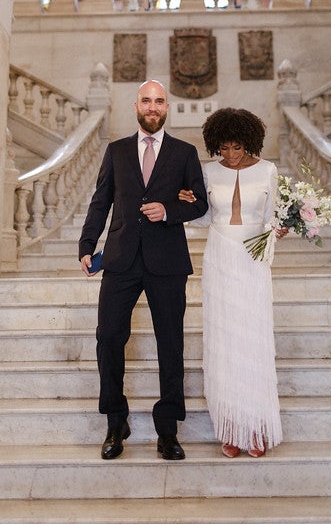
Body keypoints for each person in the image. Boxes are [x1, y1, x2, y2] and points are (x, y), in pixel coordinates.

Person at [79, 79, 208, 462]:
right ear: (135, 105)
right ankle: (115, 423)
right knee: (108, 339)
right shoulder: (115, 150)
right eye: (147, 101)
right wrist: (87, 245)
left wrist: (170, 211)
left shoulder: (185, 152)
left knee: (171, 344)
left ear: (167, 107)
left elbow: (200, 203)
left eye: (160, 101)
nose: (153, 107)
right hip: (120, 258)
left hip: (167, 261)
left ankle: (168, 431)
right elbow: (100, 200)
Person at [179, 108, 286, 458]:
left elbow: (273, 219)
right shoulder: (209, 172)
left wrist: (281, 230)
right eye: (223, 147)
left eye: (236, 147)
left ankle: (255, 427)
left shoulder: (268, 171)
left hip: (254, 259)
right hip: (220, 256)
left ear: (250, 142)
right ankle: (229, 428)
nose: (229, 154)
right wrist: (189, 206)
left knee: (252, 342)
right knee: (224, 341)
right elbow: (207, 218)